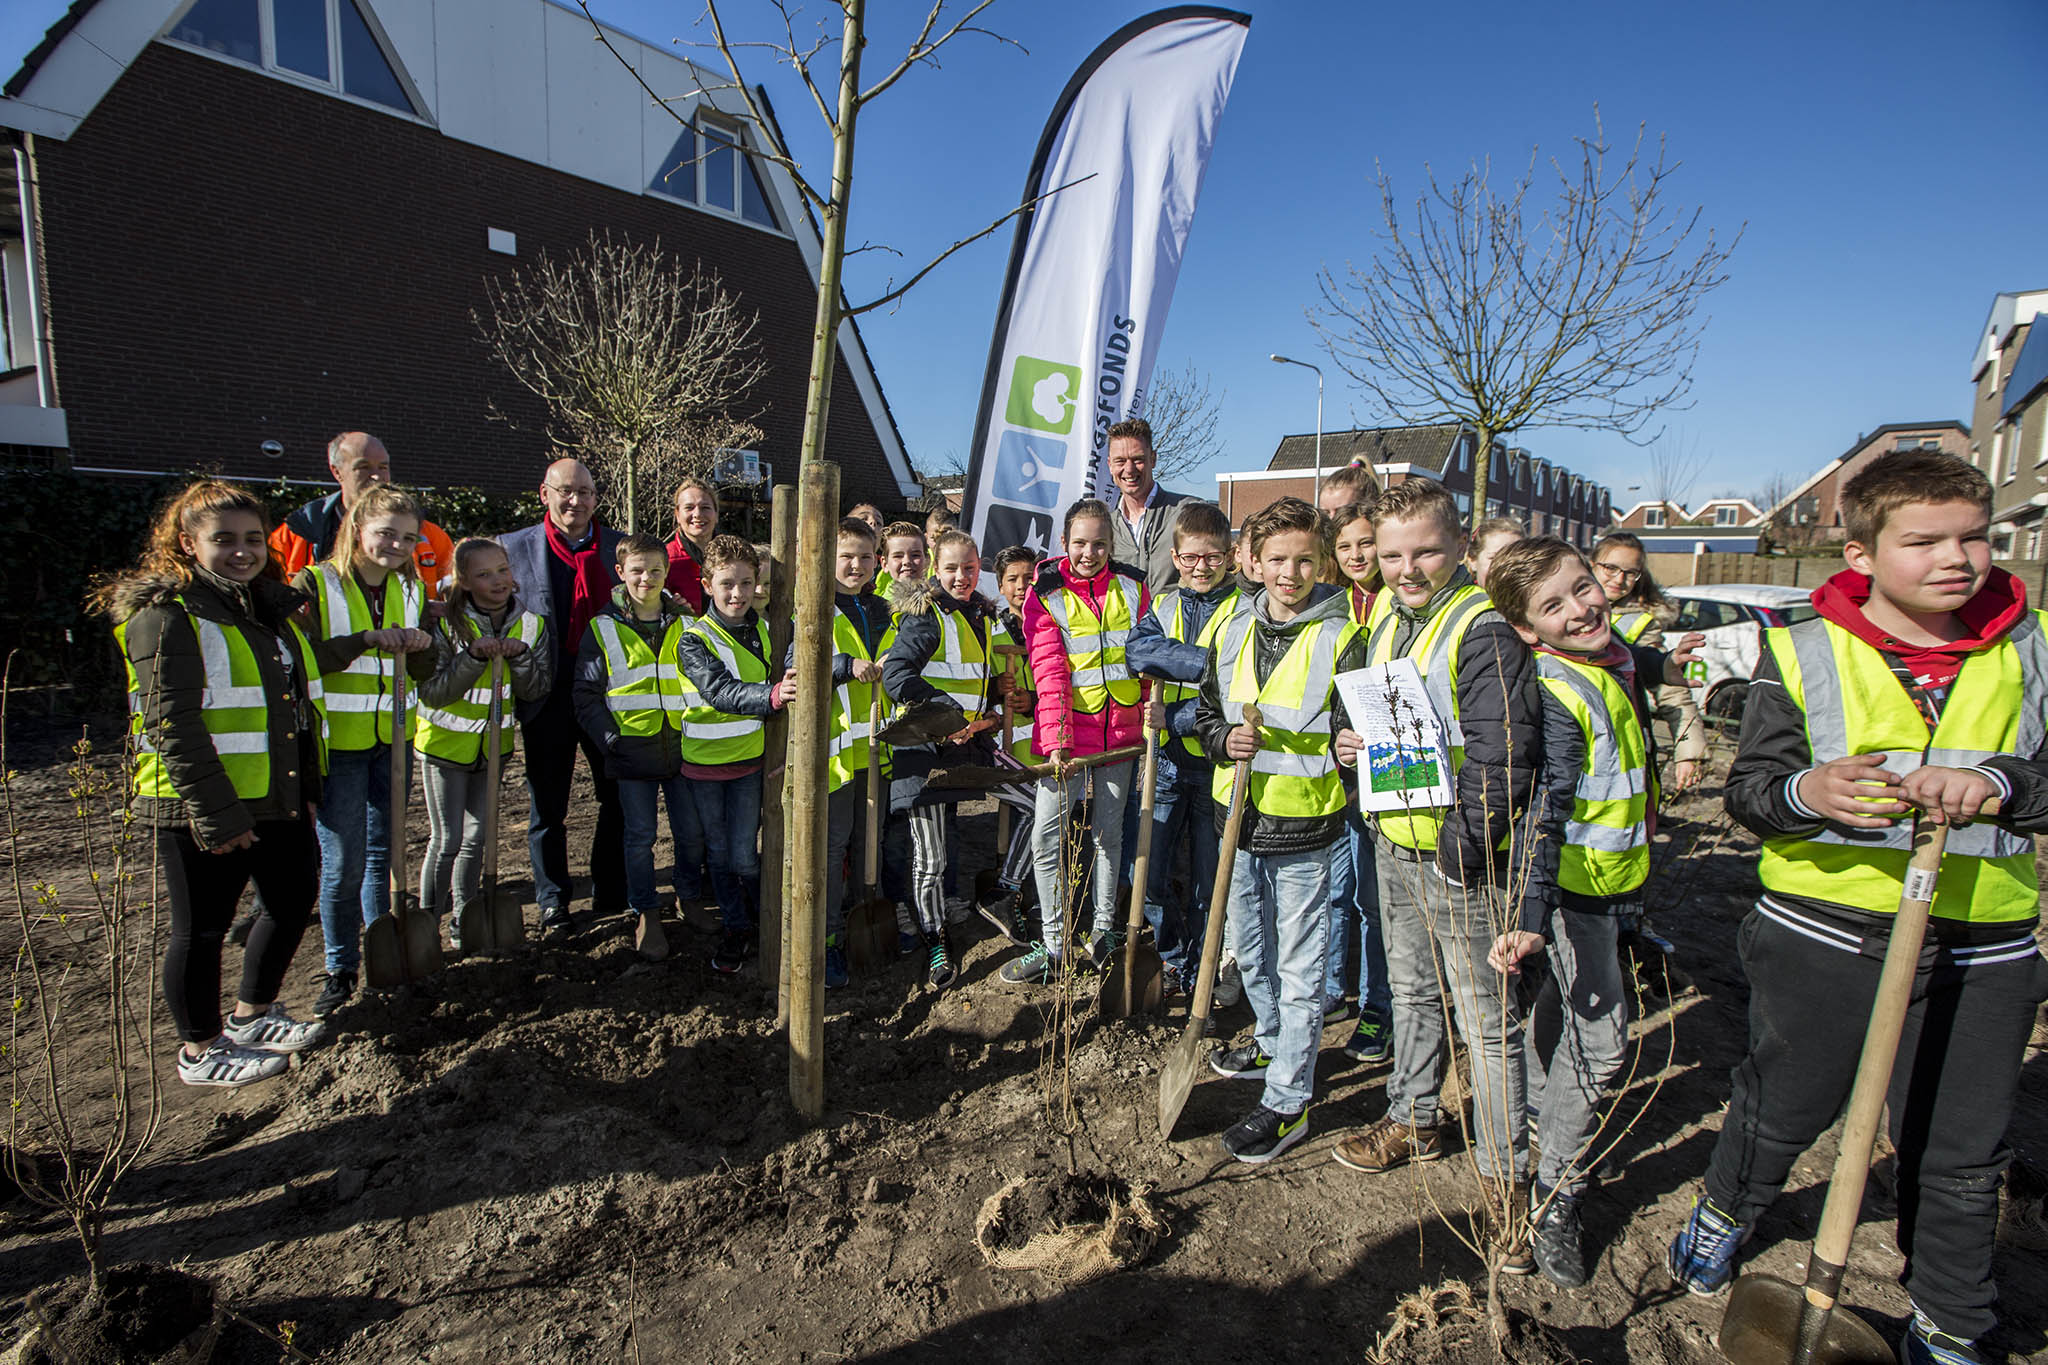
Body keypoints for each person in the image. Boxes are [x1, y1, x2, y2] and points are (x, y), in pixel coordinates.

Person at [1667, 452, 2048, 1365]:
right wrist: (1812, 792)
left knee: (1959, 1150)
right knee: (1782, 1103)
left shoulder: (2033, 648)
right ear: (1862, 550)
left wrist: (1999, 782)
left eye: (1974, 536)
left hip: (1982, 939)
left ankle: (1951, 1321)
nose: (1956, 557)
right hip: (1822, 930)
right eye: (1924, 541)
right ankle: (1725, 1212)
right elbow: (1753, 792)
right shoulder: (1802, 647)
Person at [1331, 477, 1538, 1274]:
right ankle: (1415, 1117)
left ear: (1458, 547)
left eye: (1423, 551)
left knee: (1487, 1024)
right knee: (1413, 993)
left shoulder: (1479, 629)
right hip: (1396, 842)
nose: (1406, 568)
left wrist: (1458, 852)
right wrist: (1347, 747)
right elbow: (1377, 718)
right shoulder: (1389, 618)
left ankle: (1505, 1179)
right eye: (1391, 555)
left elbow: (1501, 757)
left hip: (1460, 861)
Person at [1481, 536, 1699, 1287]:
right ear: (1526, 627)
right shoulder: (1558, 691)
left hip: (1611, 882)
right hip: (1570, 892)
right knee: (1602, 1044)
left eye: (1584, 587)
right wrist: (1533, 915)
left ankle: (1548, 1113)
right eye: (1555, 605)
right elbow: (1547, 813)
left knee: (1560, 1013)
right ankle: (1557, 1191)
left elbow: (1653, 661)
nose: (1582, 607)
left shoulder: (1608, 660)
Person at [98, 480, 328, 1087]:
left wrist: (305, 782)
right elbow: (171, 724)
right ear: (187, 543)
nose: (242, 551)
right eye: (223, 540)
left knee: (289, 901)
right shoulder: (165, 618)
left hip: (271, 793)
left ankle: (253, 1014)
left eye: (253, 538)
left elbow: (289, 709)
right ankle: (201, 1049)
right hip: (196, 803)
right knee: (200, 928)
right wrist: (216, 812)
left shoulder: (263, 612)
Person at [1195, 497, 1367, 1162]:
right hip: (1235, 819)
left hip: (1303, 826)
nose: (1290, 572)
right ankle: (1268, 1035)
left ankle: (1288, 1100)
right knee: (1249, 948)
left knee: (1300, 966)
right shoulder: (1232, 625)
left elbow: (1357, 730)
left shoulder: (1342, 637)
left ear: (1321, 562)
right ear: (1253, 561)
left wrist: (1349, 747)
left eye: (1303, 559)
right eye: (1276, 559)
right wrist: (1220, 738)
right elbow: (1207, 709)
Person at [294, 484, 434, 1015]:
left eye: (406, 537)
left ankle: (382, 954)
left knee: (386, 855)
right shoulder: (318, 585)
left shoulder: (410, 590)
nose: (395, 545)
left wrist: (422, 645)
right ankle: (339, 966)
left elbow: (422, 669)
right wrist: (365, 641)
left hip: (392, 738)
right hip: (339, 745)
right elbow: (302, 659)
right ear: (357, 530)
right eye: (384, 534)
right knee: (343, 861)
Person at [1000, 498, 1148, 985]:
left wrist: (1149, 716)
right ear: (1064, 543)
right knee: (1047, 837)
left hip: (1121, 737)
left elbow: (1145, 657)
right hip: (1067, 738)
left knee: (1109, 837)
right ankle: (1054, 942)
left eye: (1100, 543)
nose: (1090, 552)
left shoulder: (1132, 586)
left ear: (1112, 543)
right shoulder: (1046, 593)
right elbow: (1049, 670)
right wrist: (1058, 740)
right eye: (1080, 543)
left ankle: (1103, 932)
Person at [501, 459, 629, 936]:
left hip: (605, 694)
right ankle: (553, 900)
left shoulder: (619, 547)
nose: (575, 501)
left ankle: (610, 889)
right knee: (547, 805)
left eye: (585, 493)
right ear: (544, 493)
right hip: (545, 694)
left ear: (597, 498)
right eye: (565, 492)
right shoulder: (513, 549)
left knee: (615, 793)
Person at [1125, 501, 1240, 997]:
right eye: (1190, 557)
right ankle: (1173, 954)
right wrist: (1206, 663)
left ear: (1230, 557)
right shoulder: (1165, 604)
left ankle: (1200, 969)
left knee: (1205, 882)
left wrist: (1174, 715)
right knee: (1145, 870)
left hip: (1214, 764)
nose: (1200, 567)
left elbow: (1236, 689)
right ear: (1175, 555)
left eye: (1212, 557)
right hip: (1165, 763)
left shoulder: (1246, 610)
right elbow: (1138, 651)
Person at [414, 538, 550, 953]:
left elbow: (536, 688)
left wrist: (522, 657)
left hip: (493, 748)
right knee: (447, 839)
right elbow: (433, 693)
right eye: (484, 574)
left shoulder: (531, 624)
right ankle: (424, 921)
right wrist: (472, 658)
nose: (498, 581)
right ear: (465, 581)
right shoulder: (446, 623)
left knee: (476, 838)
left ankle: (464, 918)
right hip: (445, 745)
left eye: (503, 570)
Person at [884, 529, 1007, 989]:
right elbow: (896, 676)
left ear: (980, 568)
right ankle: (935, 939)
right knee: (931, 856)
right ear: (936, 569)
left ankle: (1004, 891)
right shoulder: (925, 615)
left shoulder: (980, 616)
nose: (961, 576)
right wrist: (946, 715)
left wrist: (998, 693)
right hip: (923, 749)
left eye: (970, 568)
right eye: (952, 568)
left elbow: (969, 676)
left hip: (966, 745)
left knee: (1036, 803)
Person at [677, 534, 798, 972]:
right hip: (705, 769)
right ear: (706, 583)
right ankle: (736, 926)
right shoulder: (693, 640)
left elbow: (790, 665)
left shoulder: (767, 630)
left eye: (747, 584)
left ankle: (762, 920)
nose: (738, 594)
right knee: (719, 852)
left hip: (750, 765)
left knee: (744, 854)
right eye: (727, 583)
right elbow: (720, 691)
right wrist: (774, 695)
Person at [573, 533, 694, 962]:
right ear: (620, 573)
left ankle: (688, 898)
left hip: (681, 749)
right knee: (639, 838)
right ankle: (645, 909)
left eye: (656, 570)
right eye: (637, 570)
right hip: (630, 753)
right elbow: (586, 693)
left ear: (667, 573)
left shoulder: (684, 623)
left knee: (688, 835)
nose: (647, 578)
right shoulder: (603, 628)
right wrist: (610, 739)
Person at [1322, 500, 1392, 1063]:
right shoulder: (1335, 605)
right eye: (1344, 547)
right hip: (1336, 773)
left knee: (1373, 898)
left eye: (1365, 544)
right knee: (1335, 889)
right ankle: (1330, 989)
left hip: (1383, 770)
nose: (1355, 556)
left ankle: (1378, 1007)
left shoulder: (1397, 605)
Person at [816, 517, 899, 988]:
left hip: (877, 745)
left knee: (873, 838)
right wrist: (848, 666)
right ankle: (828, 939)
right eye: (846, 556)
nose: (855, 565)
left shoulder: (884, 608)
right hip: (838, 750)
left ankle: (867, 913)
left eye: (865, 557)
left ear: (876, 561)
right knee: (835, 845)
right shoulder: (816, 607)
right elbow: (800, 658)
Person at [1590, 533, 1706, 793]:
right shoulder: (1566, 607)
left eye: (1630, 573)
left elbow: (1673, 692)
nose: (1619, 579)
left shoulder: (1642, 623)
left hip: (1614, 741)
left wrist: (1688, 750)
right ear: (1592, 562)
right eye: (1610, 568)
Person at [269, 431, 455, 588]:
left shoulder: (430, 536)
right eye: (363, 467)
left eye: (383, 467)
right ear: (337, 472)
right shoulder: (295, 535)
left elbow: (454, 596)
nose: (376, 476)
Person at [977, 544, 1041, 943]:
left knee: (1038, 818)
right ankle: (1008, 888)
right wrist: (995, 693)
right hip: (999, 745)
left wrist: (1031, 700)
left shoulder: (1049, 622)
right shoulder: (990, 629)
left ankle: (1025, 896)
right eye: (1013, 580)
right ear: (1000, 586)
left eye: (1028, 578)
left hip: (1038, 740)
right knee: (1037, 810)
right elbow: (973, 684)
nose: (1021, 586)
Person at [1106, 419, 1195, 590]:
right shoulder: (1105, 527)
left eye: (1137, 459)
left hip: (1175, 616)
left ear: (1153, 459)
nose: (1129, 469)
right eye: (1120, 461)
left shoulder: (1188, 511)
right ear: (1110, 465)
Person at [665, 476, 720, 614]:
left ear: (716, 514)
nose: (697, 514)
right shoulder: (664, 558)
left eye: (705, 507)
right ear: (677, 514)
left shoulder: (733, 556)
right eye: (689, 508)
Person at [1466, 515, 1528, 591]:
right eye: (1494, 558)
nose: (1503, 567)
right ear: (1472, 560)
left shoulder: (1534, 600)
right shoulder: (1459, 599)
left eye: (1514, 558)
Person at [875, 521, 927, 601]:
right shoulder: (879, 608)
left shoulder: (940, 604)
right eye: (898, 556)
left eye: (915, 555)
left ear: (927, 560)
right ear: (885, 564)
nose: (907, 561)